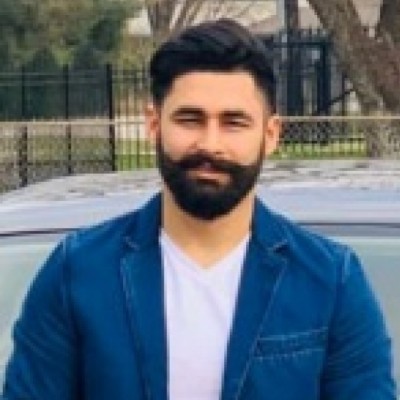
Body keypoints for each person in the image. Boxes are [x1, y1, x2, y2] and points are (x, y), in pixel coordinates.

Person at [2, 19, 396, 400]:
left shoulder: (330, 280)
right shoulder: (78, 273)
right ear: (154, 125)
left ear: (270, 134)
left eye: (234, 122)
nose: (210, 144)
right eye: (190, 119)